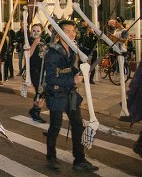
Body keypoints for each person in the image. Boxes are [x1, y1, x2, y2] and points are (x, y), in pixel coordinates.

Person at [44, 20, 98, 172]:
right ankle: (51, 157)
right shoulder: (52, 52)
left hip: (70, 93)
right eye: (67, 31)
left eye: (73, 30)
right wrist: (72, 79)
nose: (72, 33)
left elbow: (70, 69)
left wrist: (80, 73)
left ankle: (79, 159)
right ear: (60, 33)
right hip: (56, 93)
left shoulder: (73, 50)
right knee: (55, 126)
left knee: (78, 125)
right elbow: (50, 78)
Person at [28, 23, 47, 123]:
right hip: (34, 70)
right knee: (41, 92)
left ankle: (35, 110)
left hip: (43, 70)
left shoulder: (43, 41)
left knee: (44, 92)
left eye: (38, 31)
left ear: (41, 32)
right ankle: (35, 112)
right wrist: (35, 43)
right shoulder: (29, 41)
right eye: (34, 31)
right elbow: (28, 55)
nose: (35, 33)